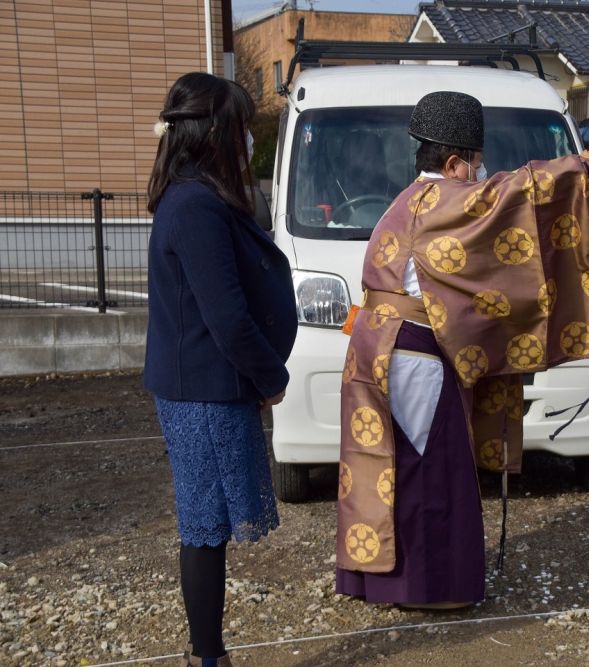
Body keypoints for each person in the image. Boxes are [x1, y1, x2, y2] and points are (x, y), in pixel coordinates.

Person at [335, 91, 589, 608]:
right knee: (432, 471)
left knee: (390, 470)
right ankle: (430, 590)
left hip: (381, 348)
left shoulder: (405, 200)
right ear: (455, 162)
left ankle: (385, 582)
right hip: (411, 355)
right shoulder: (443, 201)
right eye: (476, 164)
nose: (483, 173)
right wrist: (588, 162)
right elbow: (518, 193)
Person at [144, 72, 297, 667]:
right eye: (237, 129)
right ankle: (208, 657)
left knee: (204, 526)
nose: (245, 143)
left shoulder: (189, 195)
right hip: (203, 391)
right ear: (212, 132)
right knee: (205, 528)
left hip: (200, 385)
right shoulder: (196, 205)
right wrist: (272, 379)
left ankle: (207, 653)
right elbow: (228, 315)